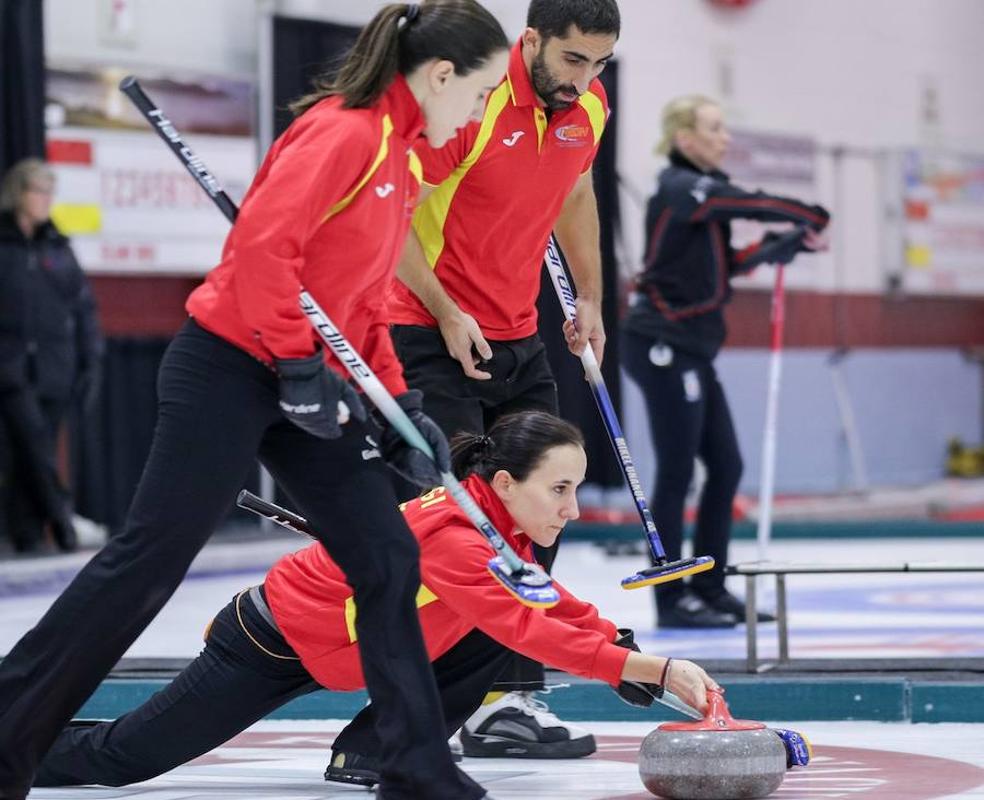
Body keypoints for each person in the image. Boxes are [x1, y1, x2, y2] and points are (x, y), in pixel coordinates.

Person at [0, 5, 511, 800]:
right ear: (441, 76)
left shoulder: (404, 162)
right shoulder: (342, 133)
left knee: (386, 557)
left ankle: (414, 767)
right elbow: (262, 254)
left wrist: (402, 409)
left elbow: (365, 303)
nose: (479, 113)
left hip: (305, 374)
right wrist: (299, 364)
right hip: (231, 365)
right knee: (148, 564)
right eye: (480, 94)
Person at [31, 411, 719, 791]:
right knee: (123, 759)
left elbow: (544, 600)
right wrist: (645, 671)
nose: (571, 508)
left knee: (492, 631)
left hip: (345, 645)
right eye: (559, 489)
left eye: (576, 488)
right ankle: (15, 743)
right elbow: (522, 621)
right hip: (273, 642)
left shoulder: (499, 522)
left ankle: (371, 753)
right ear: (505, 483)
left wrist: (616, 646)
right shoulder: (459, 538)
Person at [386, 0, 621, 757]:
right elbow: (395, 221)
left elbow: (576, 193)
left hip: (518, 335)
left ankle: (503, 702)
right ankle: (418, 701)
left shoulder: (588, 107)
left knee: (541, 510)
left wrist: (588, 296)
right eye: (572, 60)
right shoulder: (479, 104)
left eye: (599, 64)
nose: (584, 79)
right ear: (531, 41)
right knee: (463, 525)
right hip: (427, 329)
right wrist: (448, 312)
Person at [621, 94, 830, 630]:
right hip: (662, 345)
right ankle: (672, 597)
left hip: (690, 347)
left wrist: (773, 249)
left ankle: (710, 587)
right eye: (714, 128)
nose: (725, 137)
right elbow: (742, 201)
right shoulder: (681, 187)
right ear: (684, 138)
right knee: (676, 469)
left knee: (726, 464)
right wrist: (809, 216)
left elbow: (715, 268)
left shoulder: (698, 201)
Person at [0, 158, 103, 555]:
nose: (45, 200)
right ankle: (64, 523)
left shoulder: (58, 248)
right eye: (37, 191)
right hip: (11, 369)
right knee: (33, 445)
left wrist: (90, 359)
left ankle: (26, 534)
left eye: (49, 192)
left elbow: (83, 309)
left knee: (33, 448)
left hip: (55, 369)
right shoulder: (5, 247)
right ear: (18, 194)